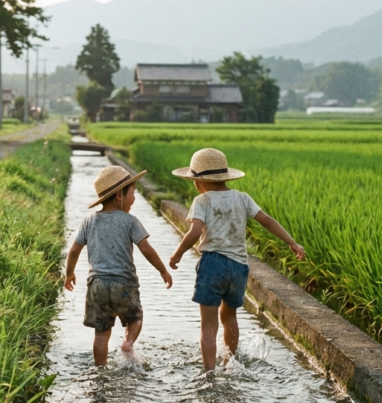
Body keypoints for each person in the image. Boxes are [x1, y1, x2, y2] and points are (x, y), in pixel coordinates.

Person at [167, 148, 306, 372]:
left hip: (213, 264)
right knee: (229, 316)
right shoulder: (242, 198)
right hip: (239, 266)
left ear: (196, 181)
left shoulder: (202, 200)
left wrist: (177, 253)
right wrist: (292, 242)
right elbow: (267, 221)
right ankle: (230, 362)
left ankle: (209, 372)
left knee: (208, 323)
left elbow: (195, 232)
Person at [64, 165, 173, 366]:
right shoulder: (130, 221)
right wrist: (163, 270)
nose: (135, 198)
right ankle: (127, 343)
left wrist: (69, 273)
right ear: (118, 196)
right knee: (135, 318)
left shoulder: (89, 221)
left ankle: (100, 370)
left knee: (101, 332)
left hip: (96, 284)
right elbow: (146, 249)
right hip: (124, 283)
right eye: (133, 192)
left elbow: (73, 250)